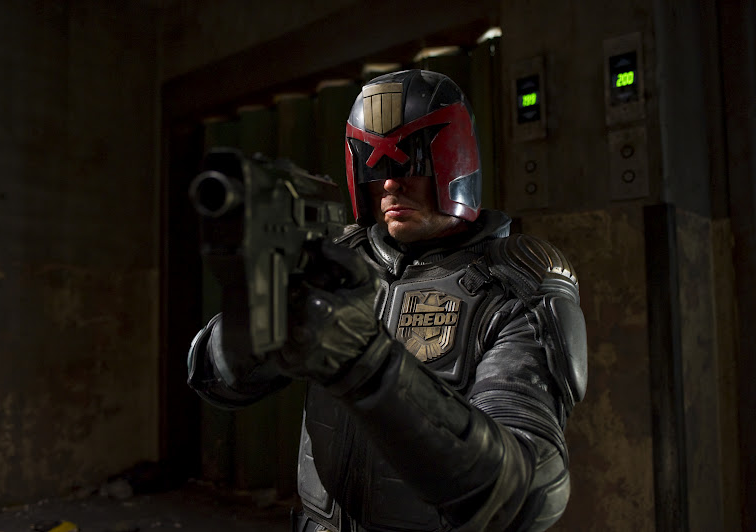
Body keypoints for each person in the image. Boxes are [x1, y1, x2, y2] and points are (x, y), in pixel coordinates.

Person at [187, 69, 587, 532]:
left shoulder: (516, 282)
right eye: (375, 168)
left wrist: (370, 366)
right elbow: (211, 380)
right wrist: (261, 319)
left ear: (453, 161)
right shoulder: (340, 258)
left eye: (411, 162)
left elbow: (528, 491)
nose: (392, 185)